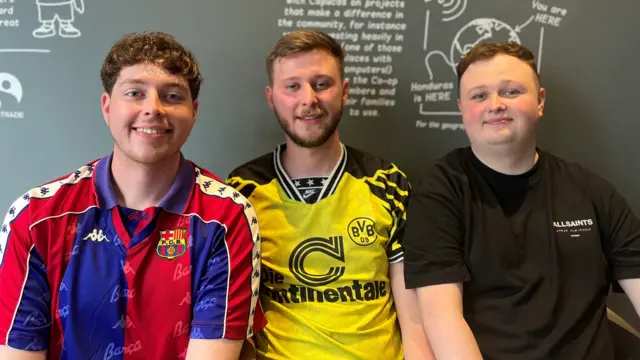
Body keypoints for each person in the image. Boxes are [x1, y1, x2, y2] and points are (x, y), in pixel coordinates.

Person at [0, 31, 265, 360]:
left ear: (194, 111)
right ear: (107, 106)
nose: (153, 109)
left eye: (171, 96)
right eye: (135, 93)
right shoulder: (36, 219)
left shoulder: (225, 220)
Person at [403, 41, 640, 359]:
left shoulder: (591, 191)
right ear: (462, 108)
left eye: (511, 91)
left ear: (540, 102)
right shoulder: (439, 194)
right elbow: (442, 318)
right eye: (479, 95)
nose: (495, 104)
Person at [226, 29, 433, 359]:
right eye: (292, 86)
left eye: (322, 84)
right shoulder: (242, 190)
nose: (308, 99)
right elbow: (233, 319)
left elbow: (415, 319)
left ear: (344, 91)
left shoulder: (388, 183)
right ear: (271, 97)